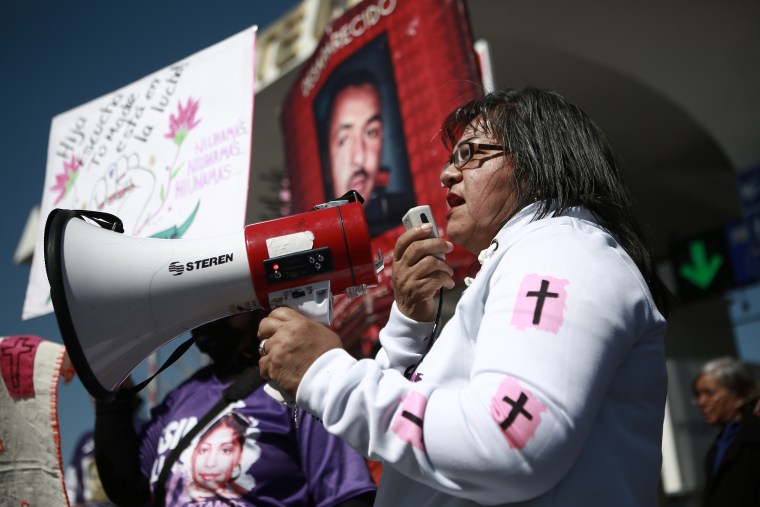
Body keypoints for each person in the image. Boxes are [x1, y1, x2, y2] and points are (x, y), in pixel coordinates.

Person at [256, 87, 671, 506]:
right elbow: (411, 444)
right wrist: (407, 325)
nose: (446, 174)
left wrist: (325, 372)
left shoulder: (560, 248)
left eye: (469, 153)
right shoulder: (534, 254)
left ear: (539, 160)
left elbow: (510, 442)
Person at [94, 311, 377, 506]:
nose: (204, 318)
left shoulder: (295, 385)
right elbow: (127, 487)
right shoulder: (179, 400)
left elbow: (347, 496)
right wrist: (111, 394)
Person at [322, 70, 415, 237]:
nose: (359, 157)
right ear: (326, 163)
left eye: (371, 133)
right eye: (344, 140)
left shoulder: (409, 210)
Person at [692, 356, 760, 506]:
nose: (701, 402)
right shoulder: (718, 445)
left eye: (709, 393)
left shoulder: (755, 438)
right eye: (698, 395)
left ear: (739, 396)